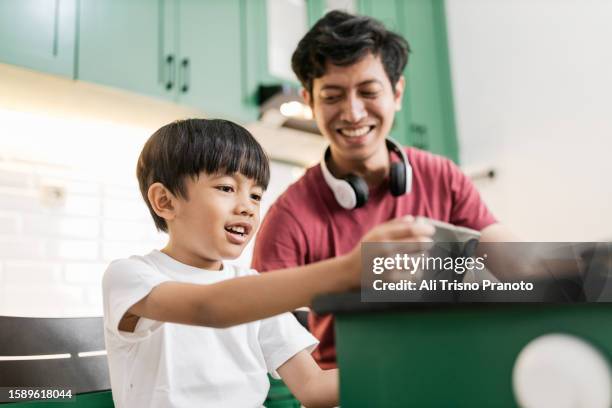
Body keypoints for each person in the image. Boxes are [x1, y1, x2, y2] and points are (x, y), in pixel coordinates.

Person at [102, 118, 434, 407]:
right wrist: (348, 270)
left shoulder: (252, 287)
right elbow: (209, 309)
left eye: (256, 195)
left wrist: (402, 368)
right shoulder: (131, 275)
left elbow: (313, 388)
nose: (247, 206)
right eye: (226, 187)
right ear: (165, 201)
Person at [252, 10, 516, 369]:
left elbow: (509, 259)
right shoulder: (288, 215)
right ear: (310, 102)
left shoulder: (442, 175)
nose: (353, 112)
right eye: (332, 96)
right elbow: (262, 321)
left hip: (449, 368)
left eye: (368, 91)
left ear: (397, 92)